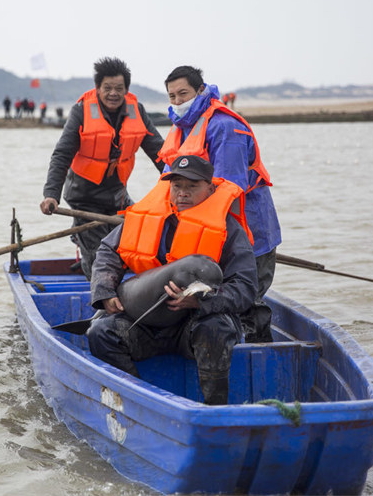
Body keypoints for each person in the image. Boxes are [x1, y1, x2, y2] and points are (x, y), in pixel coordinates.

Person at [87, 155, 258, 405]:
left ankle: (215, 409)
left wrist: (200, 303)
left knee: (217, 328)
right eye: (177, 186)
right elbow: (107, 252)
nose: (183, 194)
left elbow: (246, 288)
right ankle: (139, 402)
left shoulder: (228, 230)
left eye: (192, 187)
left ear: (210, 189)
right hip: (147, 324)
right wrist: (105, 292)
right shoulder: (148, 218)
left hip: (194, 325)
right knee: (100, 333)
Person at [158, 65, 281, 343]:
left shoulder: (225, 127)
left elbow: (228, 189)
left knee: (249, 303)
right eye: (172, 96)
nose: (177, 102)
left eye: (183, 94)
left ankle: (258, 356)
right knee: (219, 306)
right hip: (213, 233)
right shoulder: (183, 129)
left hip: (249, 231)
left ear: (201, 90)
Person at [40, 56, 166, 278]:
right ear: (97, 88)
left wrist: (180, 183)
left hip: (117, 195)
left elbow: (159, 152)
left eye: (119, 88)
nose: (113, 93)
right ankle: (101, 298)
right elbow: (61, 155)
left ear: (126, 89)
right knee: (100, 255)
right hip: (84, 197)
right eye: (107, 88)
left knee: (141, 236)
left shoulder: (137, 110)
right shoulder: (81, 111)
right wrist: (51, 195)